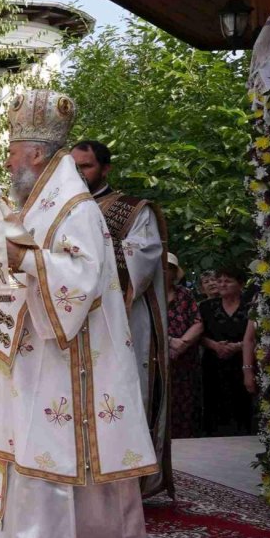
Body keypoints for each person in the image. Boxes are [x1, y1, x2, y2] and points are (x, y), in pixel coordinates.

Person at [0, 89, 157, 538]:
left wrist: (22, 257)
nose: (7, 164)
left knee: (47, 438)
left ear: (33, 154)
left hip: (67, 353)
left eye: (12, 154)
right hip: (32, 348)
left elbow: (84, 275)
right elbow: (6, 267)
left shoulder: (74, 207)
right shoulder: (38, 203)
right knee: (22, 435)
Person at [73, 139, 172, 498]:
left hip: (123, 317)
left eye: (85, 167)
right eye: (74, 167)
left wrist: (92, 253)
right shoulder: (60, 209)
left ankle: (129, 485)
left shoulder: (131, 209)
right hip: (74, 318)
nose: (79, 174)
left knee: (125, 394)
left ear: (105, 169)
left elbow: (144, 257)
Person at [199, 266, 254, 435]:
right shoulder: (206, 307)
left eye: (228, 281)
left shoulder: (251, 307)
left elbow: (257, 337)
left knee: (243, 409)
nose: (222, 284)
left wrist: (238, 346)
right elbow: (198, 335)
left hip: (243, 363)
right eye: (219, 280)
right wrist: (215, 345)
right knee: (213, 409)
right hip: (213, 364)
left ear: (241, 284)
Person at [165, 254, 204, 439]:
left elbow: (198, 322)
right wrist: (170, 341)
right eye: (163, 267)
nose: (166, 271)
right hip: (159, 358)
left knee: (185, 399)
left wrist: (182, 343)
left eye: (170, 268)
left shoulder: (185, 294)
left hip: (185, 358)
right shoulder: (148, 294)